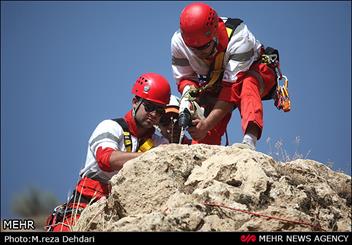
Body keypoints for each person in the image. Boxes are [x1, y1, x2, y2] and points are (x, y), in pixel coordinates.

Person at [45, 72, 171, 231]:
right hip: (86, 204)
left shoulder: (159, 141)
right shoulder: (110, 127)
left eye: (160, 111)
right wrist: (152, 155)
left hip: (129, 208)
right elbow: (106, 160)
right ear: (135, 102)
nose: (154, 114)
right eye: (149, 107)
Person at [171, 2, 277, 149]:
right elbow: (185, 79)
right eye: (193, 49)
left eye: (203, 47)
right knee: (204, 126)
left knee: (248, 83)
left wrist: (207, 124)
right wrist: (188, 101)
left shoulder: (240, 38)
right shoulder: (178, 42)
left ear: (214, 34)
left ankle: (249, 140)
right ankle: (202, 155)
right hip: (216, 81)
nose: (198, 53)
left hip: (255, 72)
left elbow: (231, 91)